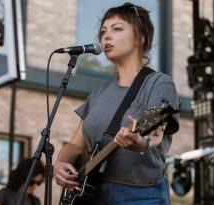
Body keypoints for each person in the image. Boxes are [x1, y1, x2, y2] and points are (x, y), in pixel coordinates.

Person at [54, 2, 180, 205]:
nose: (106, 36)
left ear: (141, 38)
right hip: (92, 196)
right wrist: (60, 163)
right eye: (103, 31)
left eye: (117, 29)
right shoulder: (99, 92)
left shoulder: (159, 83)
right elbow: (76, 144)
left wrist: (140, 142)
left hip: (139, 195)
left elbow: (155, 136)